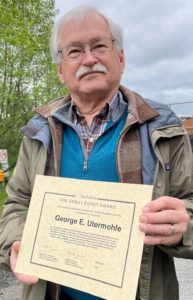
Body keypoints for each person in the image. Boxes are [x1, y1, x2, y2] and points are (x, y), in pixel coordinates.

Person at [0, 5, 193, 300]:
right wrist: (17, 242)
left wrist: (184, 227)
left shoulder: (165, 128)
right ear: (61, 71)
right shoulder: (37, 131)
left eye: (99, 45)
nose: (89, 59)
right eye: (74, 51)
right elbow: (17, 202)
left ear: (121, 57)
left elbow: (190, 205)